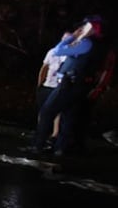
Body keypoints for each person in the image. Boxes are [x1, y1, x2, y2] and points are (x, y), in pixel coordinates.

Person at [31, 15, 111, 156]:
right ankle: (60, 148)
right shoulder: (95, 45)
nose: (80, 29)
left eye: (84, 27)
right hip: (80, 84)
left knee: (47, 112)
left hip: (69, 84)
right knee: (68, 117)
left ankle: (38, 146)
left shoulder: (86, 43)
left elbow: (57, 50)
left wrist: (71, 37)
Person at [34, 44, 66, 147]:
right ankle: (40, 133)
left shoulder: (69, 54)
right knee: (42, 110)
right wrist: (40, 83)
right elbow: (45, 67)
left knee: (57, 112)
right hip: (47, 85)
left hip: (57, 87)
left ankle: (54, 135)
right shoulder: (53, 51)